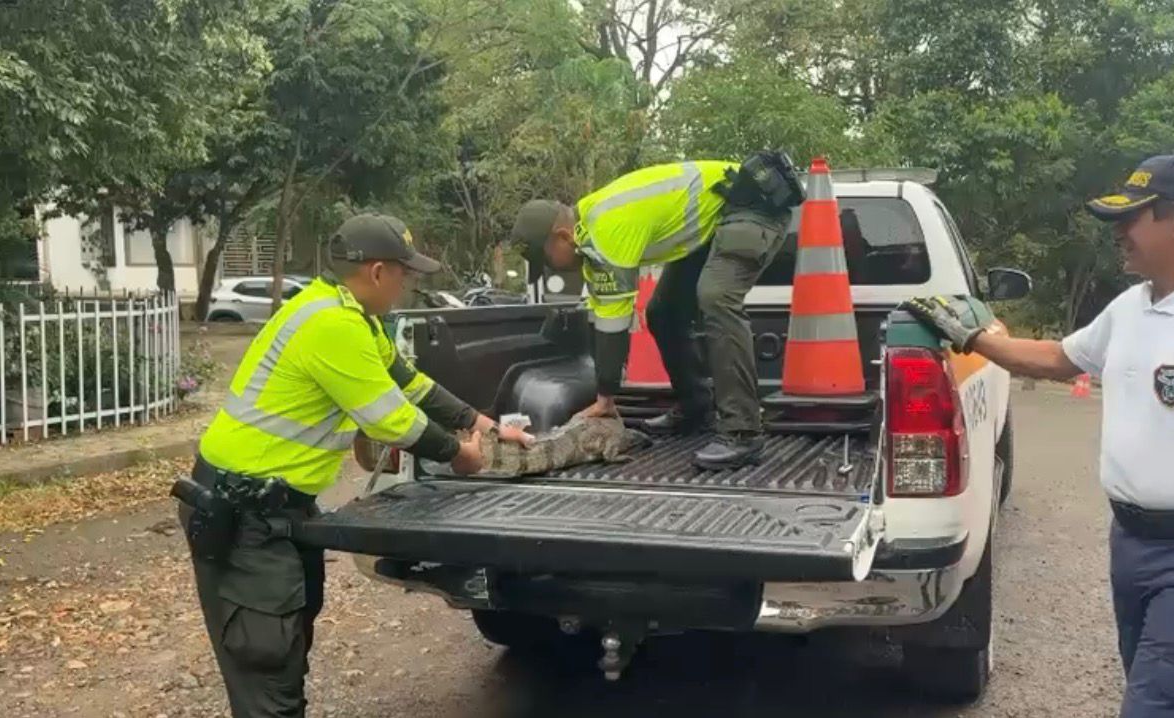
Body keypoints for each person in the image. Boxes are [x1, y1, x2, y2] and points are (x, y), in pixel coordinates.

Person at [901, 155, 1174, 717]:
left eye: (1133, 219)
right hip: (1134, 544)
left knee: (1156, 707)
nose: (1119, 233)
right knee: (1159, 695)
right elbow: (1057, 358)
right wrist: (973, 336)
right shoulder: (1132, 307)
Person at [175, 213, 533, 718]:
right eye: (406, 275)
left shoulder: (355, 317)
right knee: (267, 670)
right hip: (242, 514)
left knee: (288, 645)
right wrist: (460, 456)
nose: (408, 285)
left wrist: (487, 424)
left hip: (276, 510)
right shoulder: (331, 325)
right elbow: (392, 421)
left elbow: (412, 384)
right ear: (378, 272)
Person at [511, 154, 802, 469]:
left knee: (717, 298)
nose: (553, 267)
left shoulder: (608, 229)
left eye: (549, 259)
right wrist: (604, 395)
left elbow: (614, 326)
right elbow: (603, 320)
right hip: (710, 225)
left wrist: (605, 400)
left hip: (751, 206)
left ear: (563, 238)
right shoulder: (588, 239)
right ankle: (695, 407)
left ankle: (743, 432)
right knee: (663, 312)